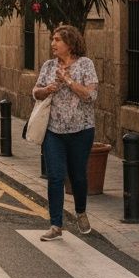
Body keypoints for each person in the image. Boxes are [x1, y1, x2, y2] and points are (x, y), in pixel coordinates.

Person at [31, 24, 99, 240]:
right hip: (54, 131)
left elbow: (90, 95)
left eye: (57, 40)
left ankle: (80, 211)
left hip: (81, 130)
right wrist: (47, 89)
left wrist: (68, 81)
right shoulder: (48, 66)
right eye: (53, 39)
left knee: (78, 176)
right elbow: (35, 91)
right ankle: (55, 225)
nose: (53, 44)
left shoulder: (85, 65)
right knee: (55, 176)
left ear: (70, 44)